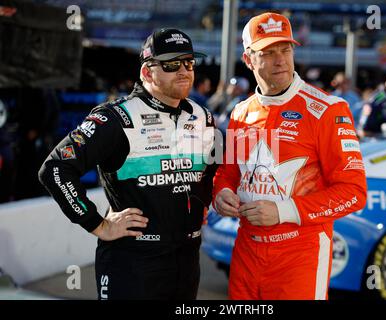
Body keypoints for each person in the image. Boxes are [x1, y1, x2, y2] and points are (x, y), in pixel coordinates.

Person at [39, 28, 217, 300]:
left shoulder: (202, 116)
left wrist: (215, 196)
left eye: (188, 62)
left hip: (187, 261)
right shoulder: (117, 117)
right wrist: (97, 223)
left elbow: (212, 172)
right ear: (147, 72)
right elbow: (55, 169)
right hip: (133, 264)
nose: (183, 70)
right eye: (170, 64)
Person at [212, 12, 367, 300]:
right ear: (248, 60)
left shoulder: (328, 109)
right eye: (268, 53)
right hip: (246, 250)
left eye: (285, 49)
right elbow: (228, 174)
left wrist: (284, 211)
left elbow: (354, 193)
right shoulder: (240, 112)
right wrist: (220, 193)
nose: (280, 60)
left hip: (300, 254)